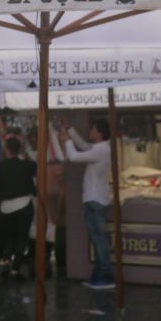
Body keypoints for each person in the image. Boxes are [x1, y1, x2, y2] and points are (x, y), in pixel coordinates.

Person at [63, 119, 114, 290]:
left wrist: (67, 140)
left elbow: (74, 156)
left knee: (99, 240)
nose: (90, 131)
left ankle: (106, 276)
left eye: (92, 129)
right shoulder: (101, 147)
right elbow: (84, 146)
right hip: (96, 198)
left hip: (94, 199)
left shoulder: (100, 149)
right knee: (98, 239)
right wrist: (70, 129)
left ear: (99, 133)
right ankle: (98, 276)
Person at [0, 136, 36, 279]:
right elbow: (37, 169)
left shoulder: (0, 167)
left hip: (6, 207)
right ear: (19, 150)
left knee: (8, 236)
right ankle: (16, 268)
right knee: (21, 237)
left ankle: (5, 261)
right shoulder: (27, 165)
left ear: (7, 150)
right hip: (24, 203)